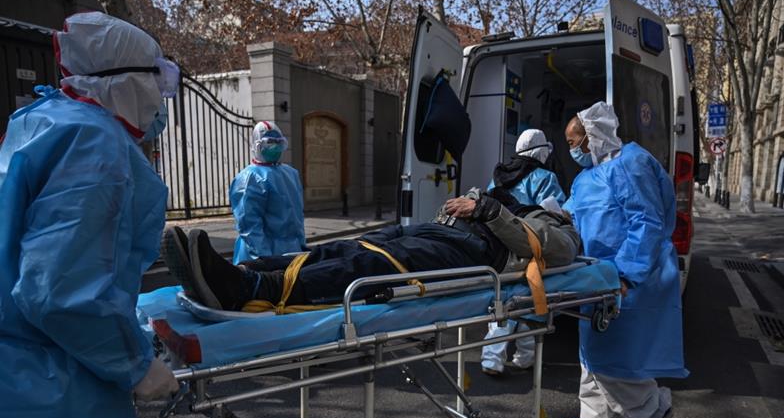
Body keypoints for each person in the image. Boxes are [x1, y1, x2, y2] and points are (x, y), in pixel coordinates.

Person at [0, 12, 180, 418]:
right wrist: (134, 364)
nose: (162, 98)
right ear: (128, 82)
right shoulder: (95, 144)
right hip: (53, 389)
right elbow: (61, 291)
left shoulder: (40, 121)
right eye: (160, 81)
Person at [161, 187, 580, 311]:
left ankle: (255, 287)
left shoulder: (558, 224)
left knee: (369, 263)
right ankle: (236, 270)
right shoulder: (516, 203)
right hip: (442, 232)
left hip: (472, 252)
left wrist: (487, 208)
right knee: (343, 247)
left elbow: (555, 251)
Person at [561, 102, 687, 418]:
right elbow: (569, 215)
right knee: (591, 352)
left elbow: (646, 222)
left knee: (617, 355)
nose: (571, 149)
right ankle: (600, 417)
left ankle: (651, 411)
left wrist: (626, 274)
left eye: (574, 142)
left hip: (628, 274)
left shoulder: (631, 164)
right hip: (595, 275)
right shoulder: (586, 178)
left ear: (591, 138)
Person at [481, 128, 566, 375]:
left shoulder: (499, 175)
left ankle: (491, 359)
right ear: (541, 152)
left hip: (501, 246)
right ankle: (525, 358)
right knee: (532, 300)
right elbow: (554, 213)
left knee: (503, 299)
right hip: (532, 243)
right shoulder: (545, 177)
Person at [230, 121, 305, 264]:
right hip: (261, 254)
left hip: (293, 250)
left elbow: (298, 215)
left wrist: (301, 244)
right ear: (258, 145)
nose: (275, 147)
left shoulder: (290, 173)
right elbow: (249, 226)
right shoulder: (249, 178)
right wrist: (264, 259)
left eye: (279, 142)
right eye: (270, 143)